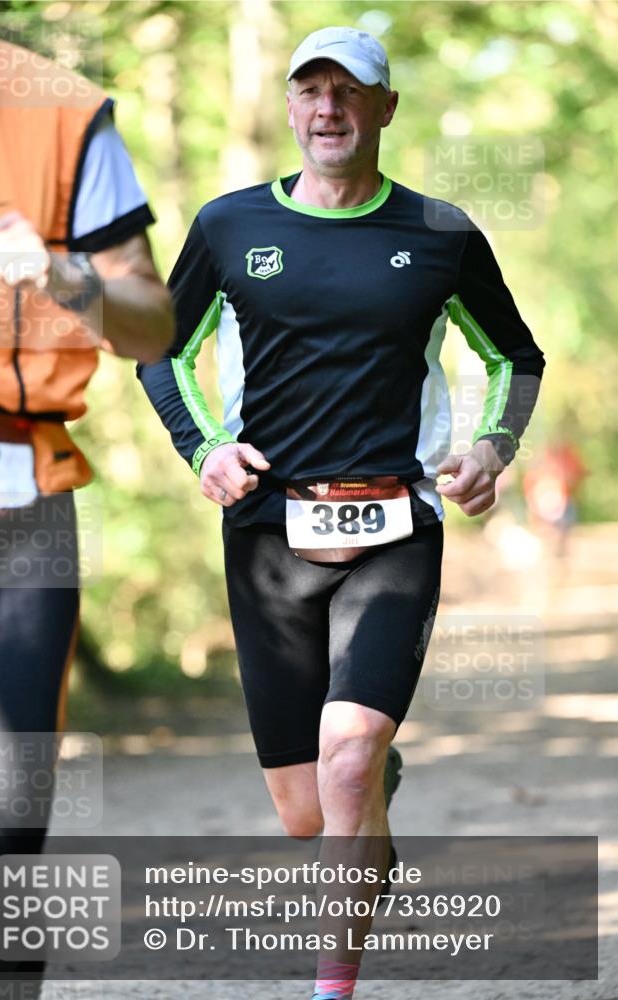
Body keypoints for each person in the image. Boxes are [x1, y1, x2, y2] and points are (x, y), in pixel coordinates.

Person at [139, 25, 544, 1000]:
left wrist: (492, 447)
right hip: (268, 534)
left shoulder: (438, 233)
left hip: (394, 526)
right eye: (311, 90)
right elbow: (160, 348)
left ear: (384, 108)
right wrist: (205, 450)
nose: (329, 108)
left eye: (349, 91)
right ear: (289, 107)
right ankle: (370, 799)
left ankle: (333, 986)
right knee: (307, 812)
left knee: (348, 750)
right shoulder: (230, 225)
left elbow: (512, 358)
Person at [0, 6, 173, 997]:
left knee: (3, 833)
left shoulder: (61, 112)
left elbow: (152, 323)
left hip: (16, 510)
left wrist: (63, 270)